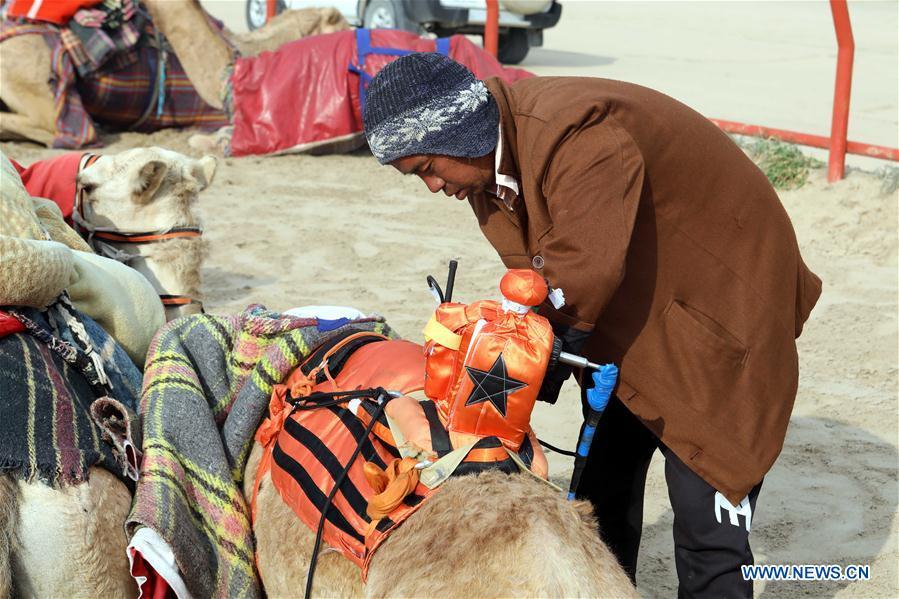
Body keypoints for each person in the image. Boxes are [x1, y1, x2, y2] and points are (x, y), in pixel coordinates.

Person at [361, 53, 822, 597]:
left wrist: (509, 360)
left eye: (428, 168)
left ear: (460, 132)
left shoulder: (577, 134)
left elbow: (582, 269)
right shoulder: (487, 172)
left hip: (721, 309)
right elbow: (545, 278)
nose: (434, 187)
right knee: (599, 497)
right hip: (633, 307)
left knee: (707, 518)